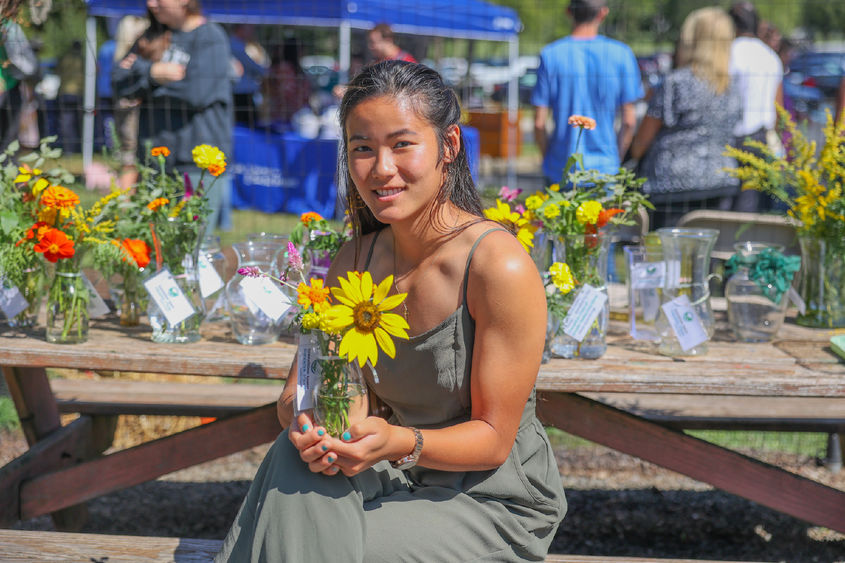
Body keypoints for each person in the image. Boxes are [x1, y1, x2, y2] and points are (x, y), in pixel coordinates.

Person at [215, 60, 565, 562]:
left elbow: (492, 441)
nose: (380, 168)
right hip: (385, 472)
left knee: (312, 547)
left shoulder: (496, 265)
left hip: (487, 497)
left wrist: (395, 440)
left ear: (449, 146)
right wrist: (311, 424)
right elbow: (301, 390)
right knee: (292, 463)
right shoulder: (353, 261)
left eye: (402, 144)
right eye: (362, 148)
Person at [112, 0, 233, 232]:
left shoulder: (210, 36)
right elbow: (118, 82)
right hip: (155, 161)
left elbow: (197, 93)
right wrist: (153, 73)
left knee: (191, 245)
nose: (151, 3)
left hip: (196, 164)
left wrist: (142, 82)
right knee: (154, 244)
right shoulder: (151, 36)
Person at [629, 7, 742, 230]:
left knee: (669, 259)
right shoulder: (732, 87)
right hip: (720, 181)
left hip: (670, 186)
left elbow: (642, 140)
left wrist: (632, 157)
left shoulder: (676, 82)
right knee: (707, 257)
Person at [531, 0, 643, 185]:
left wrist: (549, 159)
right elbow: (629, 121)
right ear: (603, 13)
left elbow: (539, 124)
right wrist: (615, 159)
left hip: (561, 167)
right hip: (605, 170)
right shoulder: (621, 54)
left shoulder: (551, 54)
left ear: (569, 12)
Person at [727, 1, 783, 212]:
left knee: (728, 208)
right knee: (750, 208)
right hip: (760, 141)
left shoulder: (729, 53)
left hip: (731, 141)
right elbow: (778, 108)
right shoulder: (769, 56)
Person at [229, 24, 268, 128]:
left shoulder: (239, 44)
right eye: (250, 28)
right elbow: (251, 65)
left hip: (242, 93)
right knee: (247, 126)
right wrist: (267, 71)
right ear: (241, 29)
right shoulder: (234, 45)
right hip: (240, 94)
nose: (252, 32)